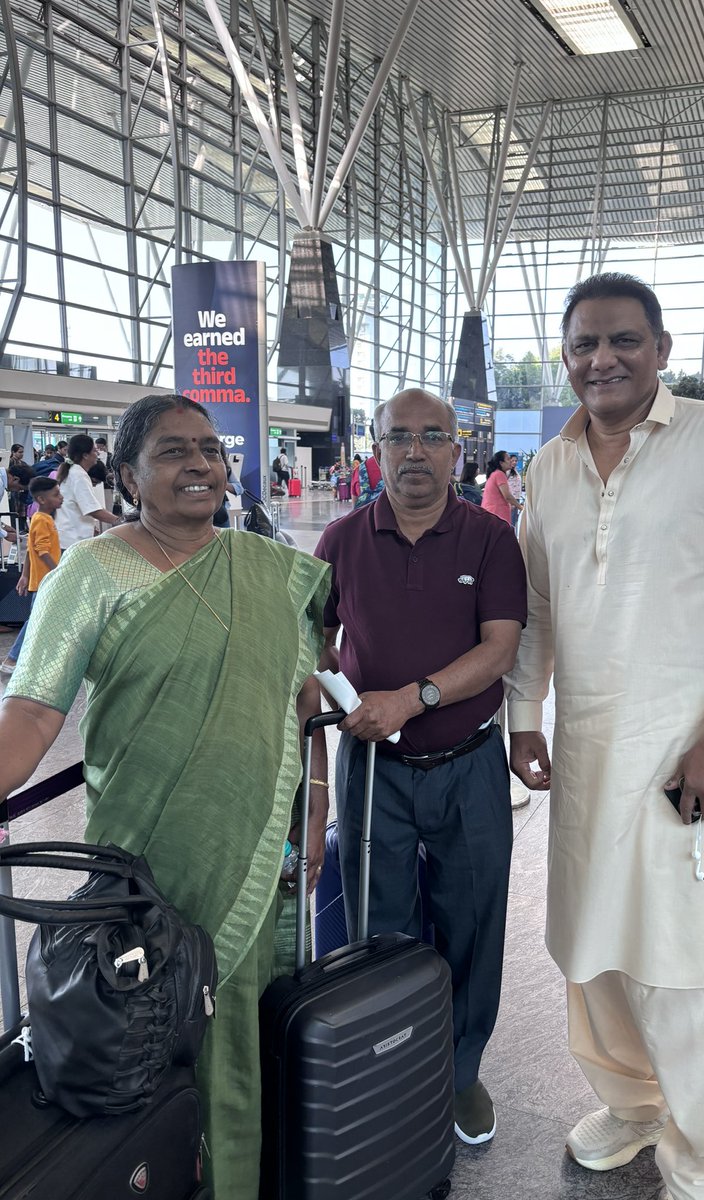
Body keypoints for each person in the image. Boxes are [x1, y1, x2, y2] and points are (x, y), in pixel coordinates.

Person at [505, 273, 704, 1200]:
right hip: (592, 757)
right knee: (594, 949)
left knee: (697, 966)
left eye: (624, 340)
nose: (604, 359)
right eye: (585, 343)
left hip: (697, 761)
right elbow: (539, 607)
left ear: (662, 350)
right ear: (565, 356)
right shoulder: (548, 468)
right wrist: (524, 716)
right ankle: (632, 1105)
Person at [0, 393, 330, 1200]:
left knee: (240, 1035)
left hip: (254, 842)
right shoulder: (92, 571)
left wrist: (315, 803)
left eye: (211, 451)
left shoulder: (267, 569)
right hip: (145, 861)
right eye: (176, 451)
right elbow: (37, 707)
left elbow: (302, 698)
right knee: (148, 1032)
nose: (201, 466)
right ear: (128, 474)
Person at [314, 388, 527, 1147]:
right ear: (375, 449)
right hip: (374, 767)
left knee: (473, 919)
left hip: (469, 764)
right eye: (398, 436)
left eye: (431, 436)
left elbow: (500, 648)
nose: (414, 451)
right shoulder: (341, 539)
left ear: (455, 451)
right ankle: (391, 1062)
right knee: (381, 924)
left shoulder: (489, 541)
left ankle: (460, 1072)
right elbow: (314, 635)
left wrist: (413, 696)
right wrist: (340, 690)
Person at [0, 476, 63, 675]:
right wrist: (59, 572)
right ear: (42, 499)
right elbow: (42, 551)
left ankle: (34, 659)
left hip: (43, 580)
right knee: (35, 621)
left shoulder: (40, 518)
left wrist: (25, 575)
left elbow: (30, 549)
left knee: (42, 620)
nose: (61, 497)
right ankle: (12, 658)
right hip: (46, 581)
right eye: (56, 494)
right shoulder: (42, 520)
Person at [55, 434, 120, 548]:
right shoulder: (78, 475)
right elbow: (93, 510)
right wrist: (120, 521)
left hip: (67, 536)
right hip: (73, 540)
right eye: (95, 451)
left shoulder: (72, 471)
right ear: (85, 455)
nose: (98, 454)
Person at [481, 451, 522, 524]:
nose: (511, 461)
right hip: (497, 514)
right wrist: (520, 507)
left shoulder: (495, 474)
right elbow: (507, 496)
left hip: (493, 514)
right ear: (501, 463)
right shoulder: (499, 474)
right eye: (508, 459)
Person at [507, 454, 523, 530]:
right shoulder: (507, 472)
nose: (514, 462)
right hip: (511, 499)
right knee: (511, 522)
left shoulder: (515, 471)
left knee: (514, 521)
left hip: (516, 498)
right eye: (512, 460)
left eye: (515, 461)